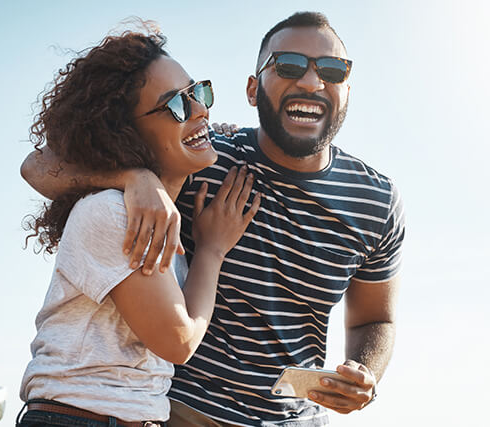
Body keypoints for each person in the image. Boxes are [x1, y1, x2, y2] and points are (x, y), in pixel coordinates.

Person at [21, 11, 405, 427]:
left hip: (294, 419)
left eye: (331, 69)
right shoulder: (197, 156)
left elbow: (376, 319)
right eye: (289, 66)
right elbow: (39, 166)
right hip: (176, 413)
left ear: (347, 88)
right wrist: (134, 177)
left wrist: (365, 374)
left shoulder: (377, 202)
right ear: (253, 89)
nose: (312, 82)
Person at [17, 22, 260, 427]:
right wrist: (213, 251)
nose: (200, 109)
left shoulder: (153, 211)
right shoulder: (113, 214)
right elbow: (178, 341)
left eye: (198, 92)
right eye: (178, 105)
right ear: (127, 131)